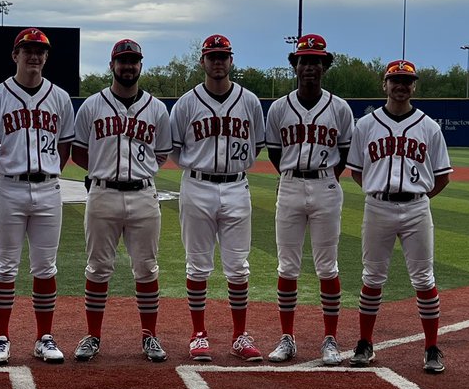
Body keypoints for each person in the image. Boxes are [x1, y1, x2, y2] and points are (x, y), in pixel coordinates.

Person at [345, 59, 452, 374]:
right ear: (385, 84)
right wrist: (381, 192)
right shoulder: (365, 125)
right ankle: (365, 343)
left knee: (424, 279)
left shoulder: (429, 126)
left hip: (416, 207)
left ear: (414, 86)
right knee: (372, 277)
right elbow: (356, 172)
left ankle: (432, 347)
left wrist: (417, 197)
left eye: (407, 81)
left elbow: (443, 176)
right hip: (378, 206)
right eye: (396, 80)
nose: (401, 86)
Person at [70, 38, 173, 362]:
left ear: (140, 65)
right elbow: (79, 152)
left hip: (143, 194)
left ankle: (149, 337)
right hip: (103, 193)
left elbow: (162, 152)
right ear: (112, 65)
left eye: (133, 61)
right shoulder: (92, 106)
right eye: (122, 60)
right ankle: (93, 336)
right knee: (98, 268)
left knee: (146, 268)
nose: (128, 66)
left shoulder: (156, 108)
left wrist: (138, 171)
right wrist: (105, 170)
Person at [169, 34, 266, 362]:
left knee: (238, 267)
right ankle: (198, 334)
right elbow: (176, 148)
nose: (218, 62)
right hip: (197, 186)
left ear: (231, 60)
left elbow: (256, 145)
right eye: (212, 56)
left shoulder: (249, 101)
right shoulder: (186, 103)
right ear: (203, 62)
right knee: (197, 265)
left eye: (223, 56)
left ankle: (240, 336)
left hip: (237, 185)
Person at [0, 27, 77, 365]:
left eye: (40, 51)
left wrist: (50, 169)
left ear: (46, 57)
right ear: (15, 55)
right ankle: (1, 338)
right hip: (8, 186)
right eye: (27, 50)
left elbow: (64, 145)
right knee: (5, 266)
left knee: (45, 266)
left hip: (48, 186)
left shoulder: (60, 97)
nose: (34, 56)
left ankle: (44, 337)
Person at [263, 34, 355, 364]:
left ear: (324, 67)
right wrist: (293, 175)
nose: (310, 67)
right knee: (287, 266)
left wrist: (323, 176)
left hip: (326, 186)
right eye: (304, 61)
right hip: (289, 185)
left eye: (316, 61)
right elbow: (275, 152)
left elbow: (344, 154)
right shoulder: (278, 108)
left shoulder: (340, 108)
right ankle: (287, 337)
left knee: (327, 266)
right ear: (295, 66)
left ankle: (330, 338)